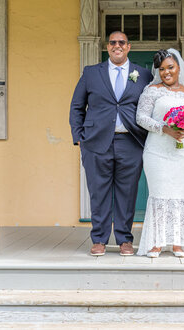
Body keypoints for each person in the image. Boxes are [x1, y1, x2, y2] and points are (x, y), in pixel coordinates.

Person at [69, 31, 153, 256]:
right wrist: (78, 136)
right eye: (113, 42)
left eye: (122, 42)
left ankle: (125, 239)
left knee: (128, 192)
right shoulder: (91, 73)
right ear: (108, 47)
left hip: (131, 141)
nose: (117, 46)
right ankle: (99, 239)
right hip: (96, 142)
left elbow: (151, 106)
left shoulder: (143, 74)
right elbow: (77, 106)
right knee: (99, 192)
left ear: (129, 46)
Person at [136, 49, 184, 257]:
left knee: (180, 195)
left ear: (179, 68)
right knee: (160, 194)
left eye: (170, 67)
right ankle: (156, 243)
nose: (166, 72)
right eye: (162, 69)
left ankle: (178, 242)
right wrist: (165, 128)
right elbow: (141, 117)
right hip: (158, 152)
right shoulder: (152, 90)